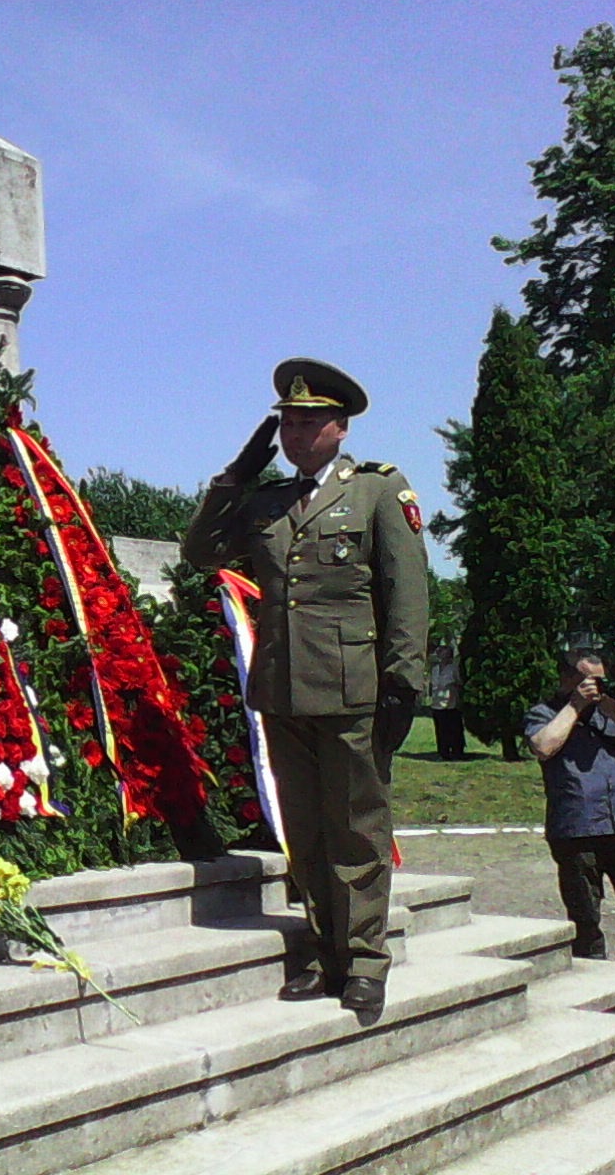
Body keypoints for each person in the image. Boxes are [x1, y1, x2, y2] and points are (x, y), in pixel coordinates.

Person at [183, 358, 428, 1016]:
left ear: (339, 427)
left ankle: (366, 963)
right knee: (307, 834)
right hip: (284, 690)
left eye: (309, 422)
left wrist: (405, 680)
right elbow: (201, 553)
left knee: (357, 833)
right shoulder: (265, 502)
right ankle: (324, 955)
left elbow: (406, 591)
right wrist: (234, 478)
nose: (295, 433)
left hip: (355, 691)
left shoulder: (378, 490)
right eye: (287, 423)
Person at [524, 649, 615, 964]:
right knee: (585, 915)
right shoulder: (544, 712)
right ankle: (593, 981)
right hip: (576, 827)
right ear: (567, 678)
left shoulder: (610, 711)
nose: (596, 686)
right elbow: (543, 746)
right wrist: (576, 705)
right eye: (589, 680)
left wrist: (614, 710)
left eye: (601, 679)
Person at [429, 643, 465, 761]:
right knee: (440, 729)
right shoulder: (434, 669)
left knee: (454, 729)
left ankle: (457, 752)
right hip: (437, 703)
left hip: (450, 703)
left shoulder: (453, 668)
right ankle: (443, 752)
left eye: (443, 651)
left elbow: (459, 683)